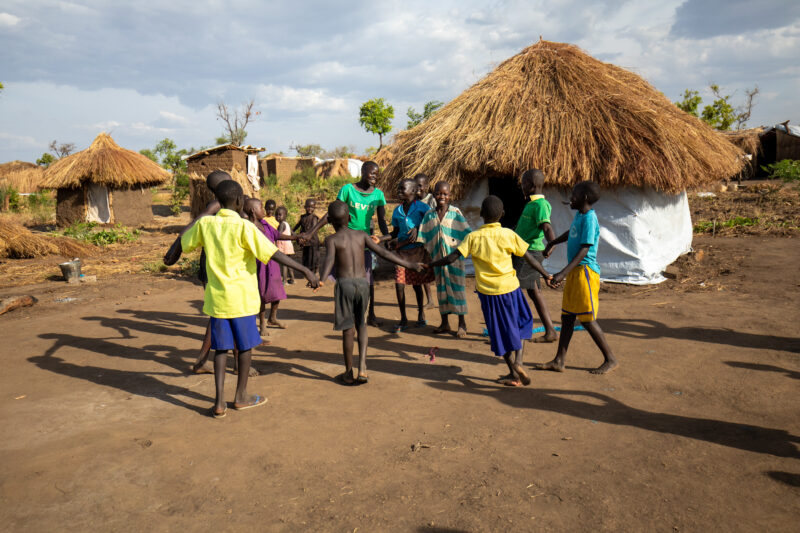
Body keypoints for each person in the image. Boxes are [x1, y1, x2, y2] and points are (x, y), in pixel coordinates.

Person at [180, 181, 319, 417]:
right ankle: (241, 396)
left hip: (217, 301)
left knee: (221, 350)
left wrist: (175, 250)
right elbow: (273, 253)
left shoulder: (205, 224)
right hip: (242, 300)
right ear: (238, 202)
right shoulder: (244, 227)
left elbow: (185, 242)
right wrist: (305, 270)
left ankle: (219, 403)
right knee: (244, 347)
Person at [429, 195, 555, 387]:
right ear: (502, 214)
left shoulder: (473, 237)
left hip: (488, 294)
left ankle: (513, 372)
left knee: (499, 333)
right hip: (511, 289)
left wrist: (430, 265)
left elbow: (451, 258)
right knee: (522, 323)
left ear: (481, 214)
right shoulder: (508, 234)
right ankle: (519, 362)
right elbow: (529, 258)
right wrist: (546, 275)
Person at [317, 200, 424, 385]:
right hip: (362, 284)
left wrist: (321, 279)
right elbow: (385, 254)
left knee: (348, 330)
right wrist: (410, 265)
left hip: (344, 285)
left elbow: (329, 260)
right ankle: (363, 368)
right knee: (362, 325)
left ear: (330, 222)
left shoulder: (331, 240)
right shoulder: (361, 235)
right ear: (350, 218)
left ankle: (348, 373)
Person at [533, 181, 619, 375]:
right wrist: (553, 242)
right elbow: (570, 234)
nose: (570, 198)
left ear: (585, 198)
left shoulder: (590, 219)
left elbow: (584, 249)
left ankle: (610, 358)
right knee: (567, 317)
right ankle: (559, 360)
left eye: (574, 194)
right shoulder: (580, 216)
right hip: (575, 273)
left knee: (587, 319)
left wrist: (562, 273)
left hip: (585, 273)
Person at [163, 170, 244, 375]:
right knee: (229, 312)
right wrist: (175, 247)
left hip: (215, 264)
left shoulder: (221, 204)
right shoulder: (216, 204)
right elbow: (195, 223)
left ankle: (204, 361)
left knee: (221, 314)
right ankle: (237, 363)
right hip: (216, 266)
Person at [299, 161, 389, 326]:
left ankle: (371, 314)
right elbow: (332, 213)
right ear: (363, 171)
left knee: (368, 279)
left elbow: (382, 220)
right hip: (345, 240)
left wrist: (386, 237)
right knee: (344, 277)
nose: (374, 177)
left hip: (364, 242)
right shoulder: (347, 190)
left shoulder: (378, 195)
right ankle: (345, 312)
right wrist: (312, 231)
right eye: (371, 173)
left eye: (377, 174)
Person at [416, 181, 471, 338]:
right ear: (434, 195)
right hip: (437, 260)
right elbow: (424, 237)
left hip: (454, 260)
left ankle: (462, 323)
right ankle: (444, 322)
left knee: (458, 290)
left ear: (450, 196)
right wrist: (427, 259)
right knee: (441, 291)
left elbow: (467, 235)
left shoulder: (455, 213)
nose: (442, 196)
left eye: (445, 194)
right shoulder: (429, 215)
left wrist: (459, 252)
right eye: (439, 193)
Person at [513, 169, 558, 343]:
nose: (521, 186)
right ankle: (550, 331)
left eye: (523, 183)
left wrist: (551, 244)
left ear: (531, 185)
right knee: (534, 292)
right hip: (525, 251)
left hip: (529, 253)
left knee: (513, 289)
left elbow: (546, 227)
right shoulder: (531, 204)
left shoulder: (540, 205)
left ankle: (514, 332)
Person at [386, 178, 434, 332]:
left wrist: (418, 228)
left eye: (402, 189)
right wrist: (382, 238)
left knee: (416, 284)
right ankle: (403, 318)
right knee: (399, 285)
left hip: (417, 252)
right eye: (399, 188)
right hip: (401, 253)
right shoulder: (397, 211)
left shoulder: (423, 208)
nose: (399, 191)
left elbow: (431, 225)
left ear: (413, 191)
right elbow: (395, 232)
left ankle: (420, 313)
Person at [242, 198, 288, 335]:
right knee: (261, 294)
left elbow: (277, 235)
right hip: (259, 264)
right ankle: (262, 323)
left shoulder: (265, 224)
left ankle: (273, 318)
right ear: (253, 211)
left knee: (277, 292)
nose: (264, 210)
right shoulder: (249, 227)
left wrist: (296, 237)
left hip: (272, 262)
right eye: (261, 208)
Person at [414, 173, 437, 309]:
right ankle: (430, 300)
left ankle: (445, 298)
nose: (418, 189)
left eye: (420, 186)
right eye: (415, 186)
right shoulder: (413, 201)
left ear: (426, 186)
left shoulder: (431, 200)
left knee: (437, 269)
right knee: (423, 268)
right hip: (420, 241)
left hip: (432, 239)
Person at [293, 199, 320, 279]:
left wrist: (304, 237)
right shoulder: (303, 217)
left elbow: (313, 230)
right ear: (305, 207)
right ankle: (307, 271)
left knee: (313, 257)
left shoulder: (314, 218)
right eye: (308, 207)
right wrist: (292, 231)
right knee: (306, 256)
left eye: (312, 207)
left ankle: (314, 272)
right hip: (305, 241)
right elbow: (298, 225)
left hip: (313, 241)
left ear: (314, 207)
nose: (310, 209)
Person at [275, 206, 296, 285]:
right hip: (288, 246)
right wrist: (298, 238)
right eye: (276, 215)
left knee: (284, 263)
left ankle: (284, 280)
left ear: (285, 215)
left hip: (283, 246)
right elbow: (293, 233)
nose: (278, 216)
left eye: (280, 215)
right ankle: (292, 279)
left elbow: (278, 235)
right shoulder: (287, 224)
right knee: (289, 263)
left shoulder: (281, 225)